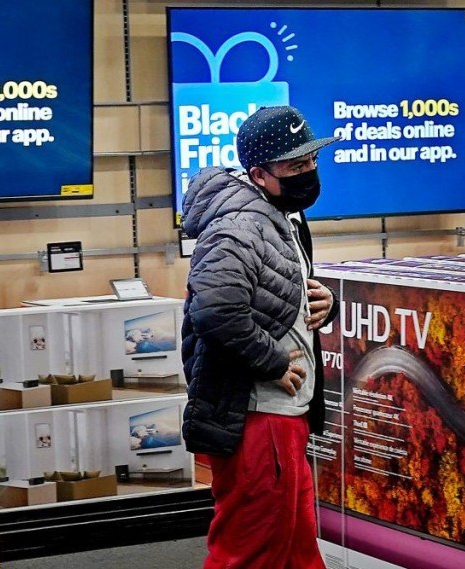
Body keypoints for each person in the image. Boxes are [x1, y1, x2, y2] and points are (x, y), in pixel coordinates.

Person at [180, 105, 339, 569]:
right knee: (249, 552)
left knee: (297, 549)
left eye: (311, 160)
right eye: (295, 166)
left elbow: (276, 293)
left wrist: (329, 302)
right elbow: (215, 310)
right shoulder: (239, 227)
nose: (308, 172)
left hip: (283, 416)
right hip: (256, 416)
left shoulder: (282, 216)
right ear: (260, 174)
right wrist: (273, 362)